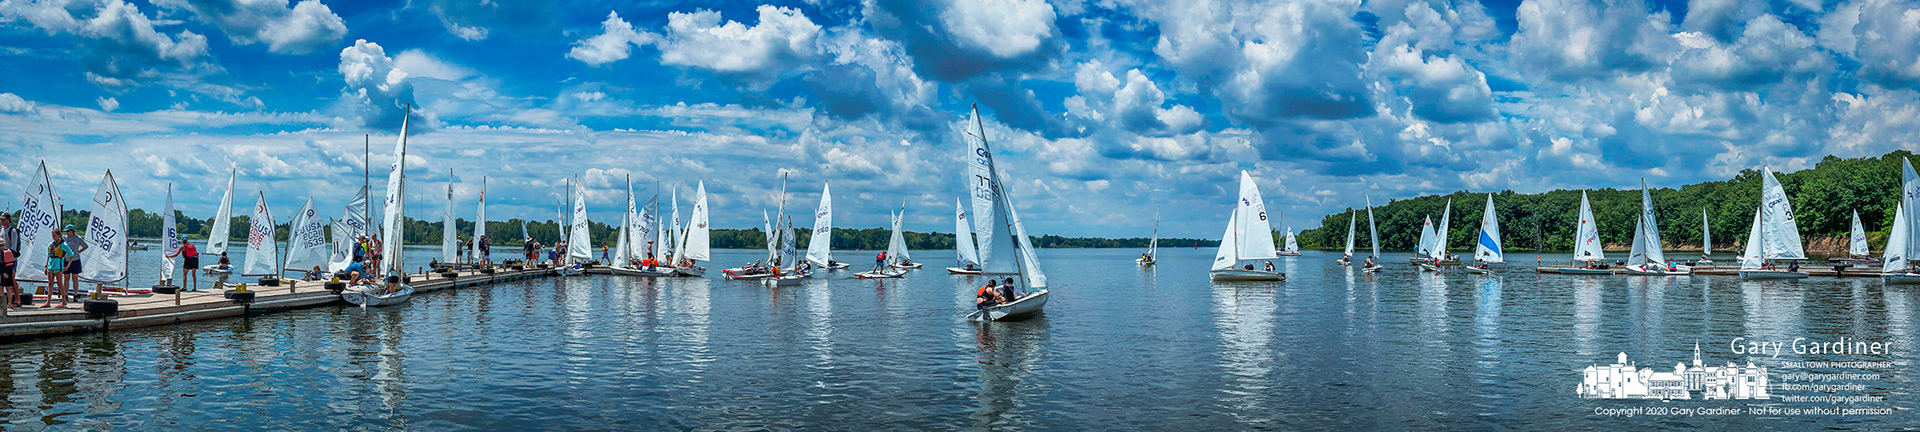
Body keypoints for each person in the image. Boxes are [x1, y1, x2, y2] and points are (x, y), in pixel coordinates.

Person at [43, 228, 72, 308]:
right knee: (50, 283)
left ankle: (64, 301)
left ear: (59, 235)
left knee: (60, 284)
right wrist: (46, 266)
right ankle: (48, 302)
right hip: (50, 265)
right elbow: (48, 256)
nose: (53, 237)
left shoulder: (63, 244)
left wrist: (68, 265)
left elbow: (71, 254)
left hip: (58, 266)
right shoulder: (51, 244)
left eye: (55, 236)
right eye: (52, 236)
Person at [61, 225, 87, 296]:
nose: (66, 232)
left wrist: (78, 251)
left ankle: (75, 294)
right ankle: (65, 294)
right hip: (66, 259)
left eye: (68, 231)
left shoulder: (78, 238)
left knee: (75, 278)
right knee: (66, 278)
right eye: (66, 231)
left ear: (72, 231)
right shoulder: (64, 238)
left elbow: (85, 246)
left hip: (75, 260)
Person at [1, 213, 19, 307]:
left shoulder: (13, 231)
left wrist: (9, 259)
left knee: (12, 278)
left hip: (11, 259)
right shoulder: (1, 230)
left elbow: (14, 246)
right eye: (1, 219)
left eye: (4, 219)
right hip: (2, 259)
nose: (2, 221)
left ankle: (17, 299)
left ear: (9, 220)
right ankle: (4, 301)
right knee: (2, 281)